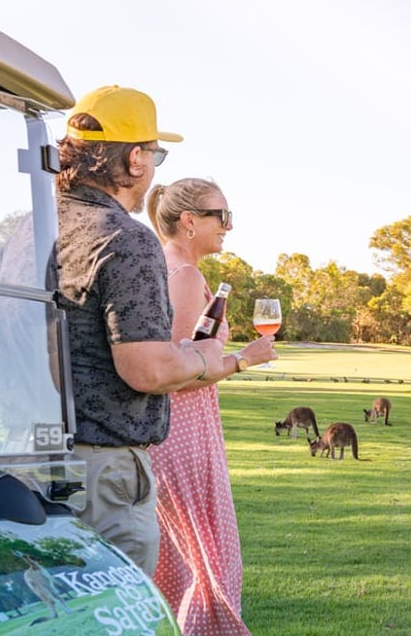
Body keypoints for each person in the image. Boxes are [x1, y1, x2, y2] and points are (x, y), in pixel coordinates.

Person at [52, 85, 276, 577]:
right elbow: (148, 369)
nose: (154, 165)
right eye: (154, 153)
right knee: (117, 613)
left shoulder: (38, 224)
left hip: (39, 459)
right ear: (135, 159)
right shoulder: (125, 238)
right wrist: (215, 355)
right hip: (104, 470)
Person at [145, 178, 266, 635]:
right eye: (222, 216)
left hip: (170, 434)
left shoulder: (164, 267)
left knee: (180, 560)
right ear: (189, 221)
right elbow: (178, 373)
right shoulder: (186, 276)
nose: (229, 227)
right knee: (212, 563)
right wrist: (242, 359)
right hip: (185, 433)